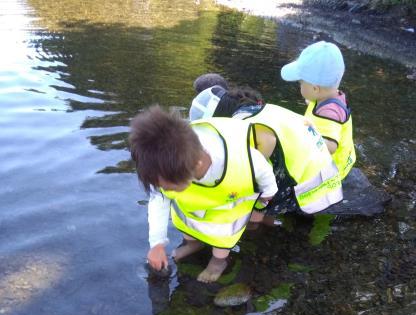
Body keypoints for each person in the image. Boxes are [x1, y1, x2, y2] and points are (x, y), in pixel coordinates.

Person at [129, 105, 278, 282]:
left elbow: (266, 176)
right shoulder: (166, 163)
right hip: (195, 206)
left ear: (197, 165)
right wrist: (157, 243)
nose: (164, 191)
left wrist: (265, 198)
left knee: (223, 234)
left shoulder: (243, 160)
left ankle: (218, 261)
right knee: (188, 224)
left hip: (229, 202)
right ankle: (194, 244)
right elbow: (158, 200)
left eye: (168, 187)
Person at [189, 86, 342, 217]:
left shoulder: (241, 121)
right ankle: (268, 222)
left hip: (310, 186)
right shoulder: (257, 108)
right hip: (325, 172)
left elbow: (267, 144)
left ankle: (257, 228)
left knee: (255, 195)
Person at [280, 41, 356, 180]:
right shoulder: (328, 95)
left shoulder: (329, 113)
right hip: (345, 158)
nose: (300, 85)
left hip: (331, 170)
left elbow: (330, 147)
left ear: (315, 89)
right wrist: (312, 100)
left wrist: (300, 139)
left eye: (301, 83)